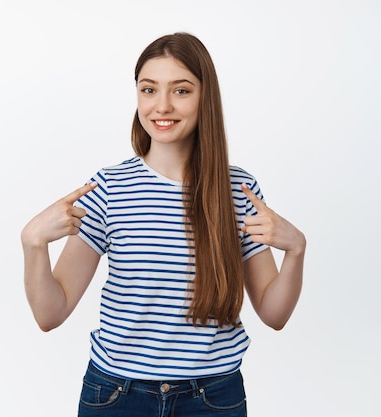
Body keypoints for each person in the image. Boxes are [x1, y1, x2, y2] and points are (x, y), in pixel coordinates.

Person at [21, 32, 306, 417]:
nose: (162, 105)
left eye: (182, 91)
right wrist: (33, 243)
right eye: (149, 89)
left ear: (206, 97)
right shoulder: (109, 188)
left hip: (213, 398)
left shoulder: (239, 191)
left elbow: (274, 315)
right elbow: (50, 315)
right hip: (117, 395)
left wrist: (296, 250)